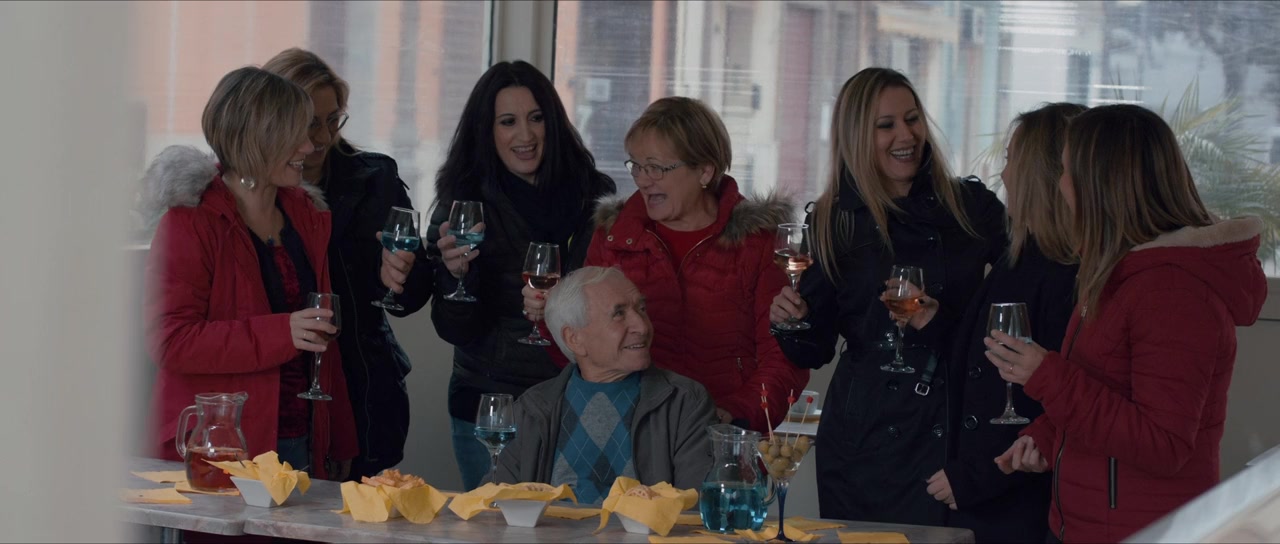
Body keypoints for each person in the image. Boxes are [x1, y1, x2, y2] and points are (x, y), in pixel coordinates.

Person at [989, 104, 1267, 543]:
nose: (1059, 185)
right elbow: (1105, 386)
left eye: (1066, 172)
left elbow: (1164, 444)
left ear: (1101, 186)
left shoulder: (1172, 293)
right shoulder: (1120, 273)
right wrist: (1046, 436)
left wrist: (1047, 376)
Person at [769, 67, 1008, 526]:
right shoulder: (834, 220)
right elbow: (814, 350)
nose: (907, 135)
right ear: (857, 136)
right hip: (866, 439)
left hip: (956, 422)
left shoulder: (972, 208)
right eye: (886, 125)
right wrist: (790, 321)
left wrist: (936, 321)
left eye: (912, 119)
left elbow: (1022, 314)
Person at [385, 60, 615, 490]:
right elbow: (455, 330)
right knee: (493, 521)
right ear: (486, 131)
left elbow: (605, 304)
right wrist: (458, 276)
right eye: (508, 122)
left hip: (578, 397)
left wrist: (561, 307)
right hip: (491, 402)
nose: (525, 136)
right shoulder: (460, 202)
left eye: (536, 118)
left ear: (553, 122)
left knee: (576, 522)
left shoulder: (593, 196)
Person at [523, 96, 809, 433]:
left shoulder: (758, 244)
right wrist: (549, 318)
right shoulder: (614, 237)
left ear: (705, 171)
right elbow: (584, 354)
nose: (643, 180)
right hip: (628, 431)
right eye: (637, 166)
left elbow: (784, 360)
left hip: (721, 433)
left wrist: (733, 416)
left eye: (656, 167)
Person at [140, 67, 357, 480]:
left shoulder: (307, 215)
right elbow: (171, 340)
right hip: (220, 449)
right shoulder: (190, 222)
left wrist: (339, 438)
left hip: (302, 440)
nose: (310, 145)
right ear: (256, 139)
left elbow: (325, 344)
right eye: (295, 134)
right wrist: (281, 333)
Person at [923, 103, 1086, 543]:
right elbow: (985, 360)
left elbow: (1050, 402)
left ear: (1040, 174)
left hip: (1017, 504)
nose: (1003, 173)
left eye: (1012, 159)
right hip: (988, 498)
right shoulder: (1021, 256)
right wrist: (931, 319)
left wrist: (979, 476)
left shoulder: (1066, 274)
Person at [264, 48, 430, 479]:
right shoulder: (254, 190)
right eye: (309, 123)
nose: (322, 138)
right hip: (278, 385)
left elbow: (412, 294)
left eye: (333, 120)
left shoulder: (374, 178)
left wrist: (397, 276)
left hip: (364, 387)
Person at [496, 267, 716, 503]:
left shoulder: (684, 403)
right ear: (574, 339)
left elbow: (696, 509)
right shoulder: (531, 409)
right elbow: (494, 504)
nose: (642, 327)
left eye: (641, 309)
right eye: (619, 314)